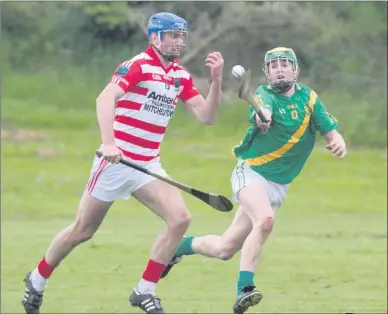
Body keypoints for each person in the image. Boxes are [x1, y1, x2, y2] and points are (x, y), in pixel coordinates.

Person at [22, 12, 224, 314]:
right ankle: (37, 278)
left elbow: (206, 117)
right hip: (115, 162)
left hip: (148, 165)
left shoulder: (180, 76)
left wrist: (217, 80)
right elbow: (105, 98)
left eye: (180, 35)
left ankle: (144, 291)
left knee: (180, 219)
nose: (177, 41)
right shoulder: (137, 65)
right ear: (154, 37)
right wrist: (109, 143)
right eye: (171, 35)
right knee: (82, 230)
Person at [160, 47, 347, 314]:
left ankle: (178, 247)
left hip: (278, 185)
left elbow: (331, 132)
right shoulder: (263, 95)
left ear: (296, 70)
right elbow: (263, 115)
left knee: (226, 249)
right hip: (251, 173)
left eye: (285, 64)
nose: (279, 69)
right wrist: (263, 117)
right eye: (273, 66)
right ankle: (245, 289)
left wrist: (338, 142)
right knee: (265, 220)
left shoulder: (310, 99)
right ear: (266, 73)